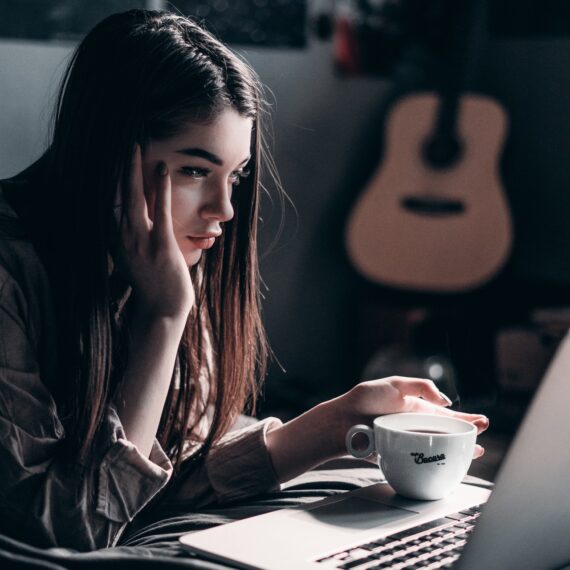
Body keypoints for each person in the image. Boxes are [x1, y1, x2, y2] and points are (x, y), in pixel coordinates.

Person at [0, 9, 489, 552]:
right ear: (107, 152)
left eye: (235, 175)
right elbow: (71, 533)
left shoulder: (168, 260)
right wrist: (164, 318)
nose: (225, 208)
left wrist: (339, 421)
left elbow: (164, 476)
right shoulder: (17, 276)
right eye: (194, 170)